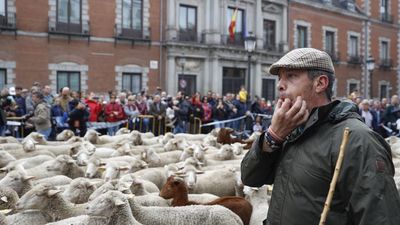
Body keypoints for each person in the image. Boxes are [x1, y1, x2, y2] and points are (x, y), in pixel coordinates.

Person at [240, 48, 400, 225]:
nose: (279, 85)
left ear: (320, 83)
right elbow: (250, 178)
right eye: (280, 78)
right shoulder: (291, 129)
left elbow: (381, 217)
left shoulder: (358, 139)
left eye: (291, 76)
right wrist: (273, 136)